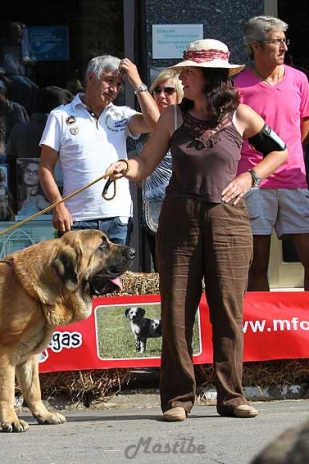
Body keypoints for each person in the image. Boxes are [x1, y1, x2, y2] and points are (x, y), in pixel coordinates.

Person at [107, 39, 288, 422]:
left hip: (229, 220)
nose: (181, 76)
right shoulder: (172, 117)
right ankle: (177, 399)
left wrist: (250, 177)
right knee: (175, 310)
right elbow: (144, 163)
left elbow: (280, 150)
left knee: (227, 309)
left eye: (188, 71)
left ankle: (231, 396)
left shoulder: (241, 114)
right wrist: (126, 168)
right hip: (179, 219)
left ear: (211, 77)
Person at [39, 54, 160, 244]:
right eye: (109, 81)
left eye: (119, 84)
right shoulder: (60, 116)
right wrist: (58, 206)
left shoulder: (121, 114)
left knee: (115, 276)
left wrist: (137, 82)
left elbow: (156, 124)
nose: (114, 89)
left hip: (117, 218)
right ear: (90, 78)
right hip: (76, 219)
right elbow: (45, 168)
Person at [235, 16, 309, 291]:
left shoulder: (299, 80)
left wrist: (284, 156)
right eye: (277, 41)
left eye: (284, 41)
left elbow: (303, 125)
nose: (284, 47)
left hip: (293, 181)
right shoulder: (238, 85)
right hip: (254, 182)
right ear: (256, 46)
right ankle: (260, 329)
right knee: (256, 264)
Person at [140, 69, 184, 270]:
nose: (161, 95)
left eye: (169, 90)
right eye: (156, 90)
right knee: (160, 272)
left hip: (181, 210)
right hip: (152, 212)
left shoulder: (185, 125)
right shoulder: (144, 125)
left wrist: (135, 79)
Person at [0, 22, 38, 112]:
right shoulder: (0, 45)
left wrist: (30, 61)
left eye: (20, 31)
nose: (20, 33)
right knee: (26, 87)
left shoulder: (23, 45)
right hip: (9, 74)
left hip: (20, 74)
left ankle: (29, 111)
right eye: (16, 31)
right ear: (10, 32)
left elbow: (30, 57)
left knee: (35, 87)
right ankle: (18, 110)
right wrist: (3, 77)